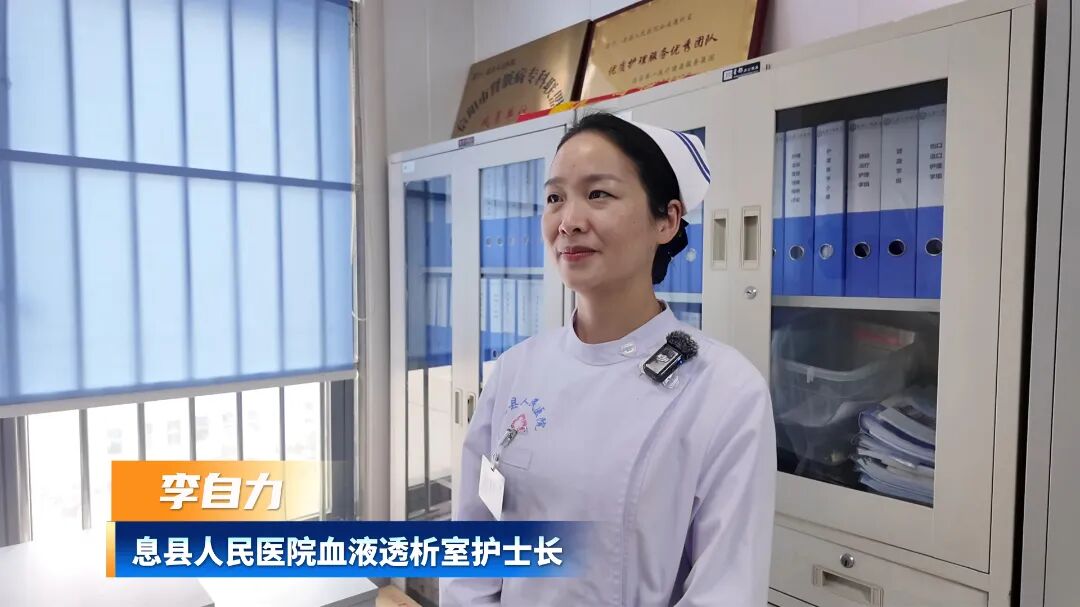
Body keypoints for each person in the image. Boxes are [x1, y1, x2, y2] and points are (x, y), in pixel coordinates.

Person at [440, 112, 775, 605]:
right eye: (555, 198)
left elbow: (726, 589)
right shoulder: (516, 369)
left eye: (598, 194)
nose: (569, 221)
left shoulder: (725, 390)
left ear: (667, 220)